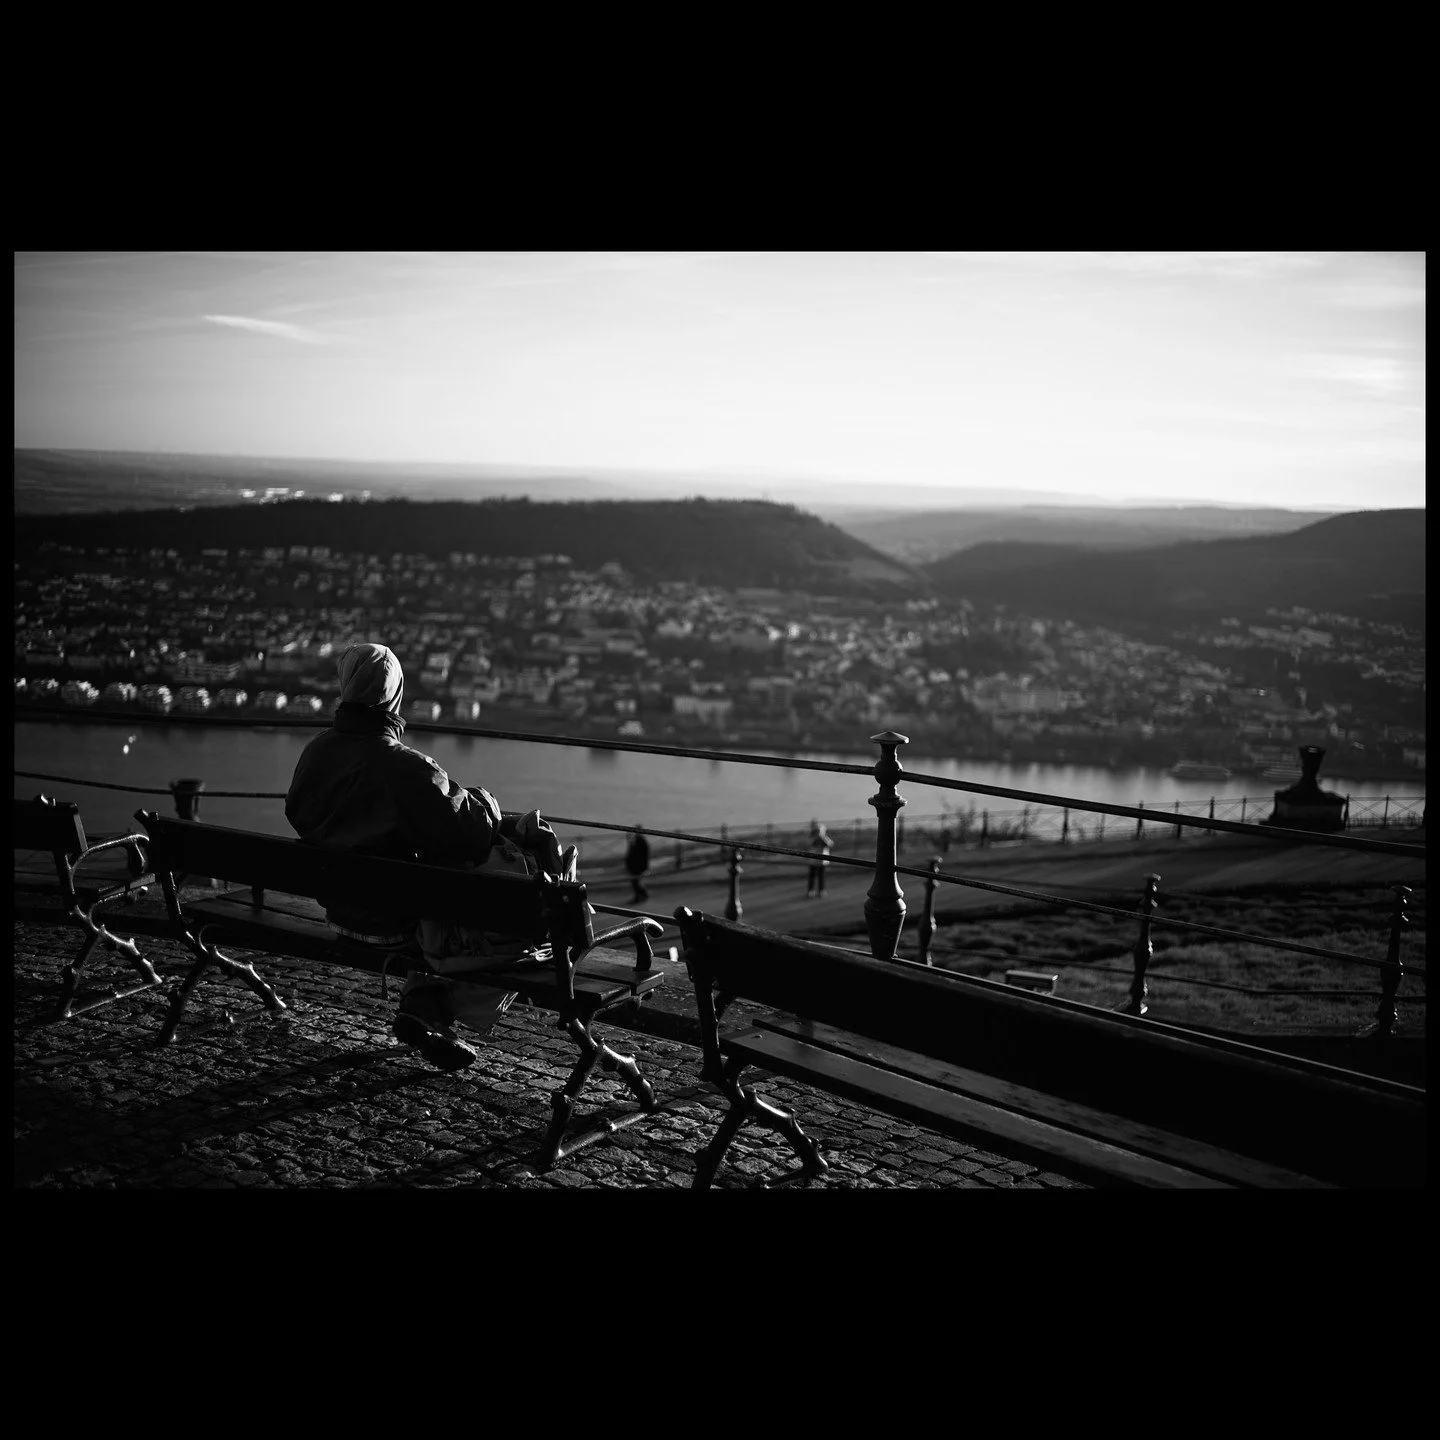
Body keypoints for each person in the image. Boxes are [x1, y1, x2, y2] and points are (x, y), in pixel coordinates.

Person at [286, 643, 576, 1072]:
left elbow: (297, 813)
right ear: (395, 696)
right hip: (397, 924)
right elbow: (473, 837)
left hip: (339, 911)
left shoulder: (315, 753)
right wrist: (487, 803)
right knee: (531, 925)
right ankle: (432, 1003)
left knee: (458, 897)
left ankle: (428, 1006)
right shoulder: (407, 767)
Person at [624, 824, 650, 904]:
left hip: (637, 866)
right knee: (636, 882)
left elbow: (636, 854)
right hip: (637, 865)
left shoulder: (639, 841)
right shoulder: (640, 840)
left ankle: (639, 896)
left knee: (635, 881)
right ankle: (642, 895)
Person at [806, 819, 833, 897]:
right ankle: (810, 891)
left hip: (822, 861)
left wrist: (822, 837)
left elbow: (830, 844)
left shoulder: (825, 838)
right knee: (812, 876)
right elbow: (808, 844)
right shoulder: (812, 838)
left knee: (821, 876)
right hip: (813, 860)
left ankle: (821, 890)